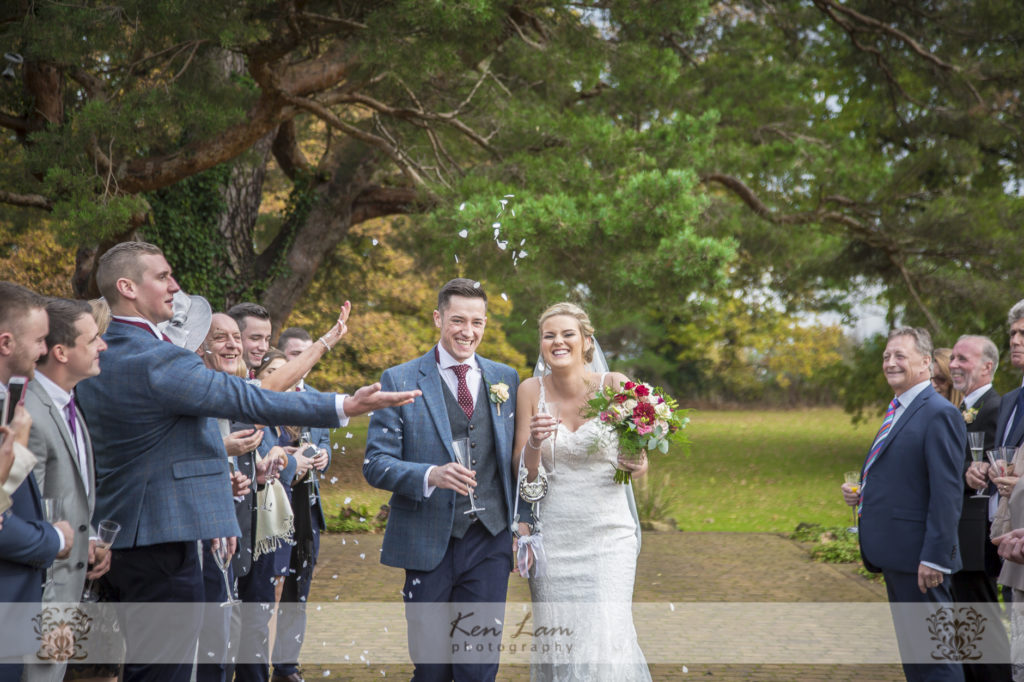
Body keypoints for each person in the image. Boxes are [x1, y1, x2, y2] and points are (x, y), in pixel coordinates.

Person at [74, 242, 418, 682]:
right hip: (162, 537)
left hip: (131, 534)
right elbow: (247, 396)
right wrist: (343, 406)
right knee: (165, 669)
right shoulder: (154, 358)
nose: (174, 286)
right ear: (127, 287)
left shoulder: (110, 351)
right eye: (162, 277)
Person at [363, 278, 522, 682]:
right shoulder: (400, 379)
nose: (468, 331)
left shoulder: (507, 379)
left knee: (477, 666)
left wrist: (525, 523)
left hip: (490, 541)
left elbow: (520, 461)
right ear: (438, 318)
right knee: (432, 667)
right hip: (425, 541)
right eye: (457, 320)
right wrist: (430, 474)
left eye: (477, 322)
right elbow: (375, 463)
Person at [515, 302, 651, 681]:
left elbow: (639, 456)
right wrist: (535, 445)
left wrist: (639, 463)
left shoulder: (615, 386)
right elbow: (522, 473)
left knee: (606, 637)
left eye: (567, 333)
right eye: (549, 335)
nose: (557, 341)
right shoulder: (529, 391)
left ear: (586, 342)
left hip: (609, 536)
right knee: (562, 643)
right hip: (554, 539)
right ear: (541, 343)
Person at [841, 327, 965, 682]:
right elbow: (908, 476)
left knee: (936, 660)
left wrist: (935, 557)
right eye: (886, 356)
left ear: (925, 362)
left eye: (900, 356)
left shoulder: (937, 412)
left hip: (922, 560)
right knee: (917, 660)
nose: (890, 363)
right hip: (898, 556)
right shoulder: (899, 408)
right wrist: (862, 491)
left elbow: (947, 492)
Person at [23, 298, 112, 682]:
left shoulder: (68, 404)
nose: (103, 346)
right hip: (39, 596)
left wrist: (88, 537)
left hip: (66, 592)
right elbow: (26, 511)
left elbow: (67, 493)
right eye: (93, 339)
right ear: (60, 352)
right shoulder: (28, 410)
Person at [0, 282, 74, 681]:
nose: (45, 351)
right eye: (40, 340)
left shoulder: (12, 408)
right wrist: (55, 539)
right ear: (6, 342)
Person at [947, 335, 1010, 681]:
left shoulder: (997, 408)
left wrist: (980, 471)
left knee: (980, 622)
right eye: (953, 358)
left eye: (963, 359)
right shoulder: (960, 409)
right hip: (957, 531)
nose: (954, 364)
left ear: (987, 366)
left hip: (976, 535)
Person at [271, 328, 331, 682]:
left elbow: (325, 451)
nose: (303, 361)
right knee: (268, 586)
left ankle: (286, 665)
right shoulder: (265, 394)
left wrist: (323, 458)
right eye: (294, 354)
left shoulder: (320, 399)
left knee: (299, 587)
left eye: (309, 354)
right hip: (272, 501)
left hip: (305, 505)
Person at [987, 299, 1024, 681]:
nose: (1014, 340)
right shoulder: (1012, 399)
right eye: (1012, 333)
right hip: (1008, 544)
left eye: (1023, 334)